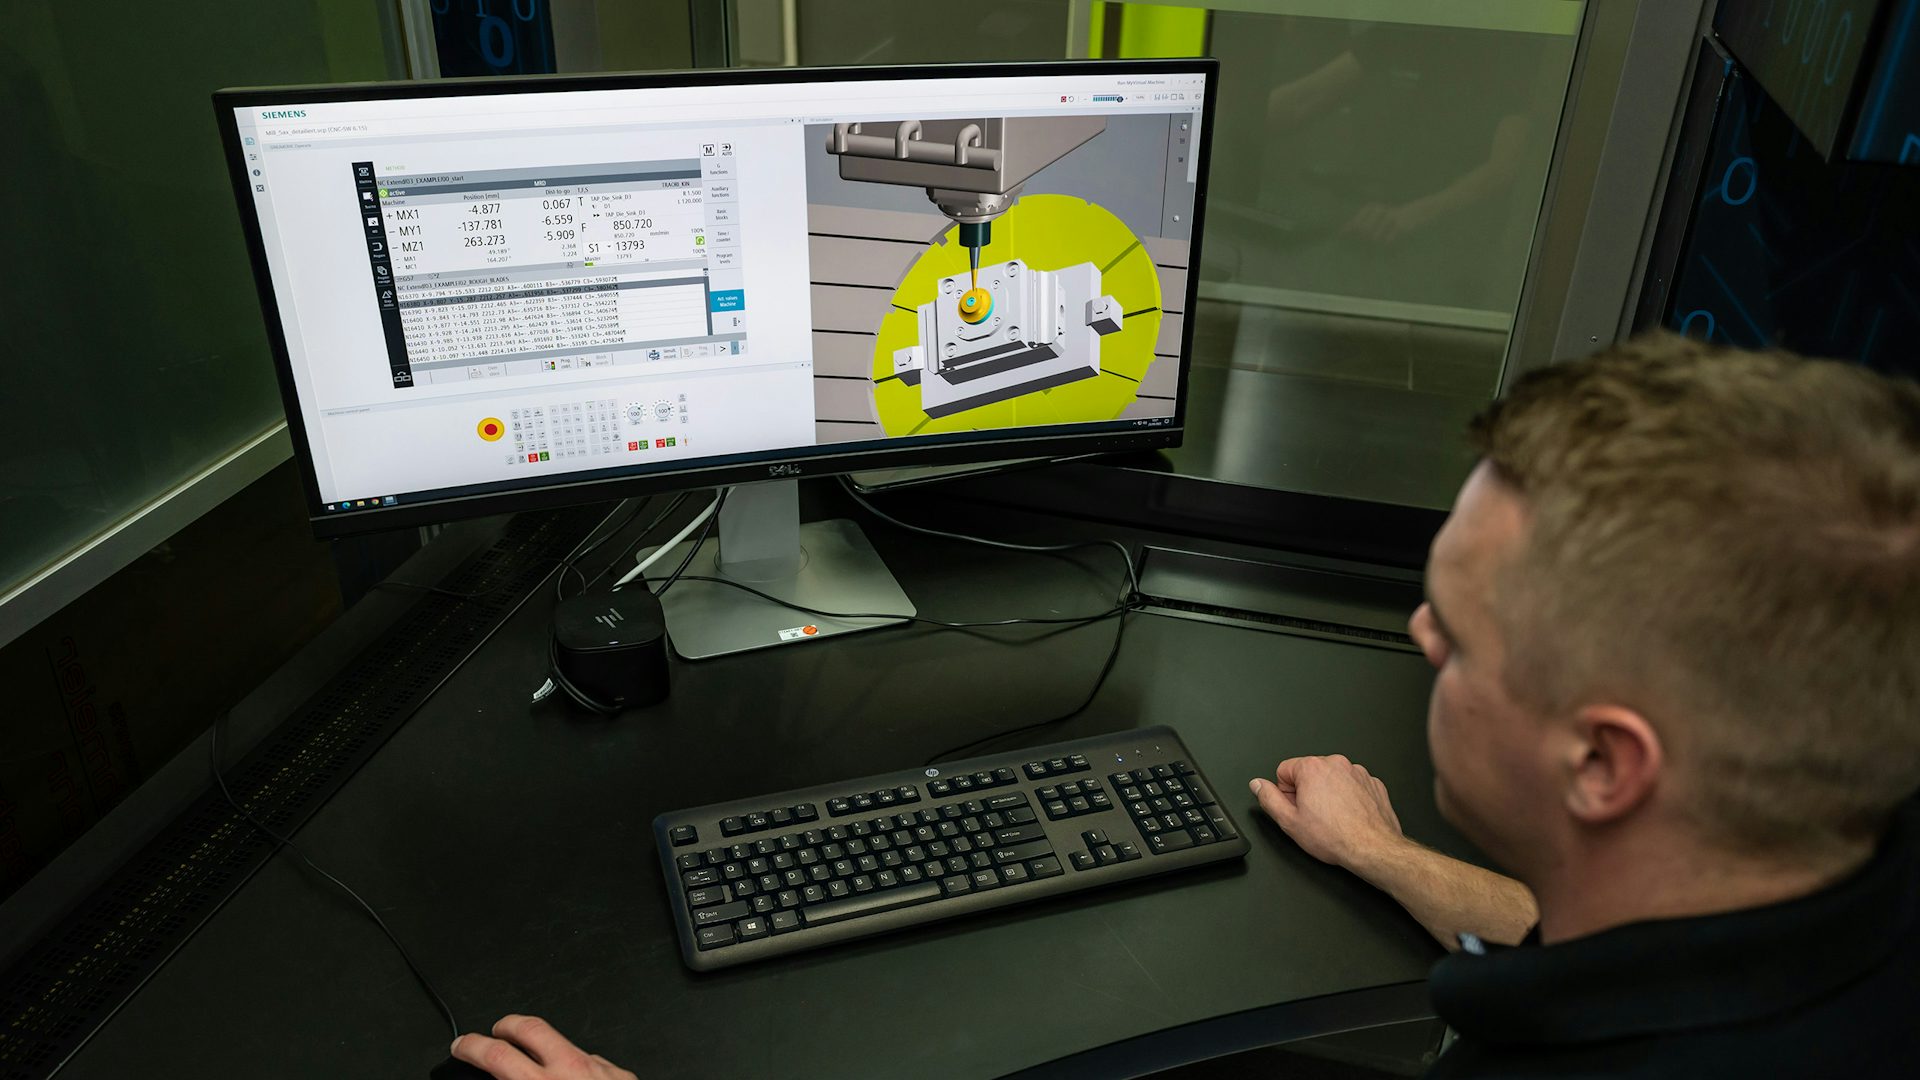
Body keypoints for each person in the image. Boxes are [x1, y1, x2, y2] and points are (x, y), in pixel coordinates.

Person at [450, 334, 1920, 1078]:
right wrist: (1390, 858)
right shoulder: (1847, 909)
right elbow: (1633, 948)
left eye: (1457, 638)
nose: (1411, 637)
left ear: (1603, 762)